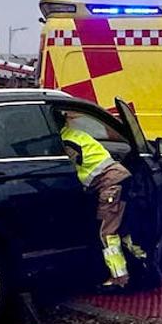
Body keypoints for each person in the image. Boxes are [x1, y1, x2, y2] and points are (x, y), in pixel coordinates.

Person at [54, 109, 140, 289]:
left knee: (107, 233)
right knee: (122, 228)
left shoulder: (66, 142)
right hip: (120, 179)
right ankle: (141, 262)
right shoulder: (76, 135)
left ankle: (119, 278)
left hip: (110, 185)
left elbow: (68, 170)